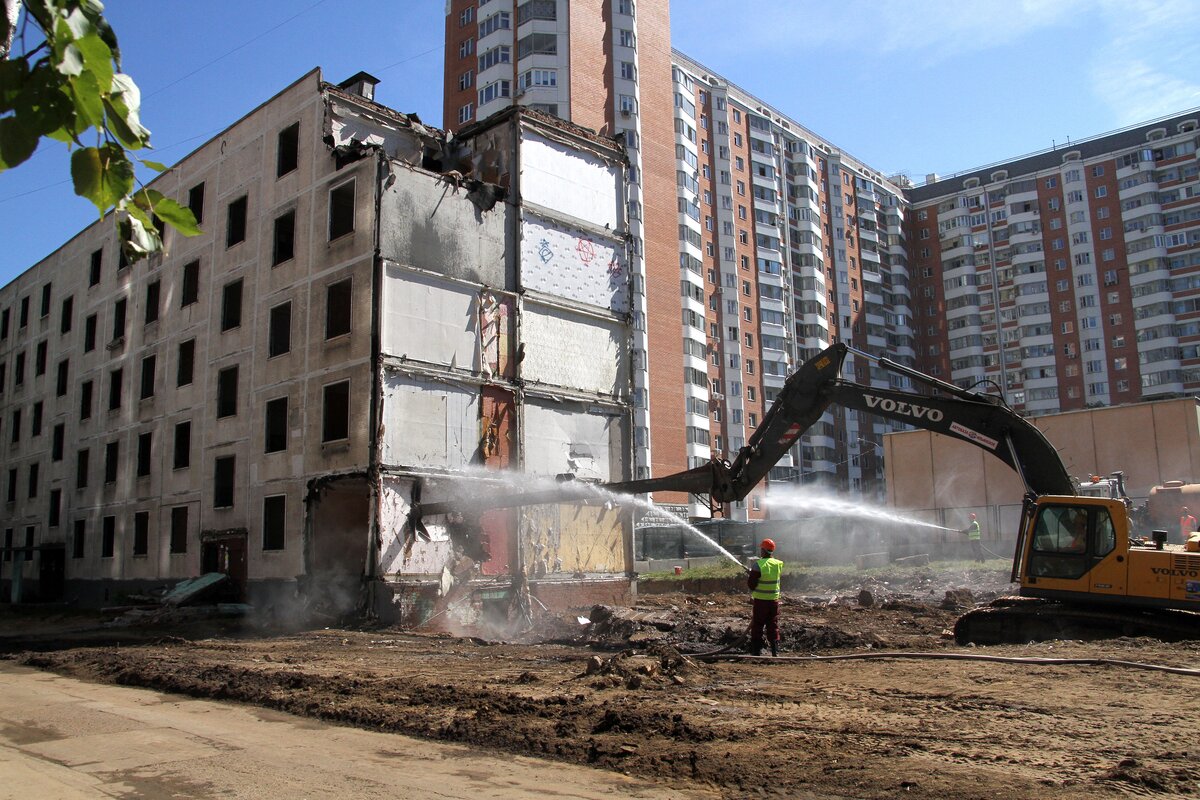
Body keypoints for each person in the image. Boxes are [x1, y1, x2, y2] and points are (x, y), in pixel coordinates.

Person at [747, 538, 783, 657]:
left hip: (761, 601)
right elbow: (768, 576)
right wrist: (754, 573)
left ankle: (756, 652)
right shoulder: (778, 564)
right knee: (773, 624)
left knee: (758, 625)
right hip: (774, 601)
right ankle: (774, 651)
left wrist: (752, 574)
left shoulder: (758, 564)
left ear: (763, 550)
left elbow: (752, 584)